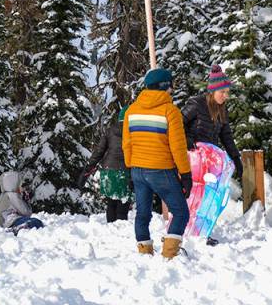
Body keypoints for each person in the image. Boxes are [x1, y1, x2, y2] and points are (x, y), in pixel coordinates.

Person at [122, 68, 192, 259]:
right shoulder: (170, 111)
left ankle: (145, 253)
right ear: (165, 86)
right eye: (171, 85)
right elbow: (178, 147)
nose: (173, 89)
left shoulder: (131, 111)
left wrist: (130, 168)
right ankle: (169, 255)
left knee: (142, 214)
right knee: (180, 212)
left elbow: (127, 144)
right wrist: (185, 174)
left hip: (137, 170)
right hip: (161, 170)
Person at [182, 65, 242, 180]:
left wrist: (235, 158)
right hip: (191, 157)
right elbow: (178, 123)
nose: (226, 96)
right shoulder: (196, 104)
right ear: (212, 91)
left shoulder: (222, 109)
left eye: (227, 92)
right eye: (222, 92)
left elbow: (226, 136)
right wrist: (187, 140)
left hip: (208, 159)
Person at [79, 109, 131, 223]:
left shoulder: (110, 130)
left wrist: (87, 169)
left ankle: (110, 228)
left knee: (111, 203)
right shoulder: (133, 131)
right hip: (125, 171)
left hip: (108, 171)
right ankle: (119, 232)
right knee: (122, 205)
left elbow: (98, 152)